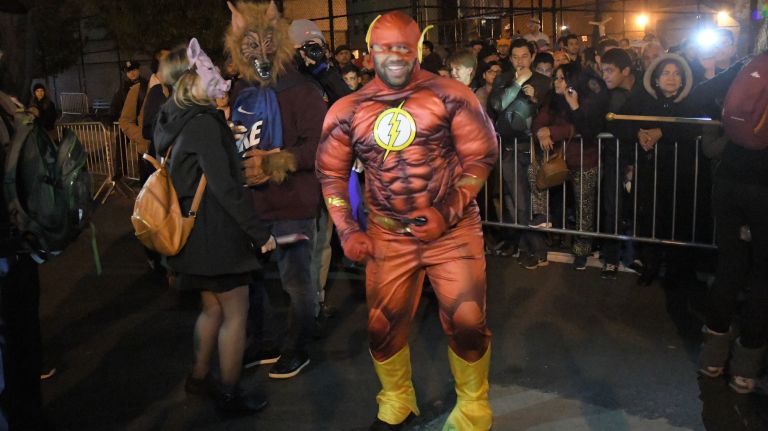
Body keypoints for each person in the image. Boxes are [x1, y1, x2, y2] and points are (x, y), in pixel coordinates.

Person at [316, 11, 497, 430]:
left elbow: (480, 157)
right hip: (387, 234)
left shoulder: (451, 95)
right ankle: (396, 400)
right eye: (385, 47)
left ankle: (473, 405)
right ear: (369, 53)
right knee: (382, 325)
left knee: (468, 320)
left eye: (404, 46)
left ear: (417, 47)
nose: (395, 55)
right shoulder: (348, 109)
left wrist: (447, 210)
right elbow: (330, 174)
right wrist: (347, 229)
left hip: (453, 231)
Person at [153, 40, 275, 416]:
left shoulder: (173, 118)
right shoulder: (204, 123)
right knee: (235, 314)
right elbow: (225, 187)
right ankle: (229, 391)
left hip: (194, 238)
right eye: (207, 70)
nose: (218, 75)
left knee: (212, 310)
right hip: (218, 237)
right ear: (191, 80)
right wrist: (260, 234)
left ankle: (200, 377)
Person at [226, 1, 327, 379]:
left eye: (266, 42)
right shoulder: (241, 92)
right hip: (254, 207)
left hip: (293, 205)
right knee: (251, 278)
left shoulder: (301, 89)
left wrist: (276, 162)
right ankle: (266, 342)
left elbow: (320, 146)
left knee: (296, 283)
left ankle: (298, 346)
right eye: (248, 44)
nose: (259, 53)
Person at [532, 62, 609, 270]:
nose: (556, 82)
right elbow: (538, 122)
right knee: (534, 173)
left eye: (561, 78)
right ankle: (545, 223)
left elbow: (587, 130)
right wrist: (541, 131)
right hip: (559, 160)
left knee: (584, 207)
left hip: (585, 160)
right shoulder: (552, 100)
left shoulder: (589, 99)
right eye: (555, 78)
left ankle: (582, 250)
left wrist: (558, 126)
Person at [489, 38, 552, 270]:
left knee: (537, 203)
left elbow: (542, 111)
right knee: (518, 202)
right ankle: (531, 249)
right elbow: (497, 105)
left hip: (535, 149)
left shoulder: (544, 81)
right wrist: (518, 83)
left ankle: (536, 249)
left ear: (532, 56)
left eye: (524, 56)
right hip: (508, 149)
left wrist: (530, 96)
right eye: (515, 57)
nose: (519, 61)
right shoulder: (503, 78)